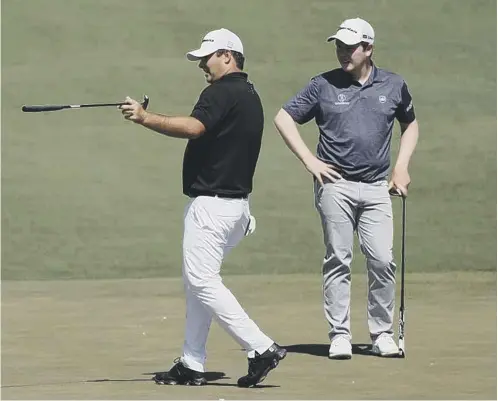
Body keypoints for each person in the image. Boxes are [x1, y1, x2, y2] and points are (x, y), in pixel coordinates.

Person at [118, 28, 286, 387]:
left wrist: (145, 118)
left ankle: (260, 347)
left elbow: (194, 127)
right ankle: (192, 362)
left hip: (213, 208)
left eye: (206, 58)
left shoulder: (220, 92)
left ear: (228, 56)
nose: (201, 66)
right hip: (237, 209)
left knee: (202, 281)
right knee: (197, 281)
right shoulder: (249, 94)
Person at [273, 18, 419, 359]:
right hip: (334, 185)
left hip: (376, 187)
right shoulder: (323, 84)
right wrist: (310, 161)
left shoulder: (394, 85)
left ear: (368, 48)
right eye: (338, 46)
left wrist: (401, 166)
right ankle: (339, 334)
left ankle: (381, 333)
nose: (342, 52)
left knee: (383, 260)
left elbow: (409, 125)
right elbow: (284, 117)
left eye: (349, 47)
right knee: (338, 258)